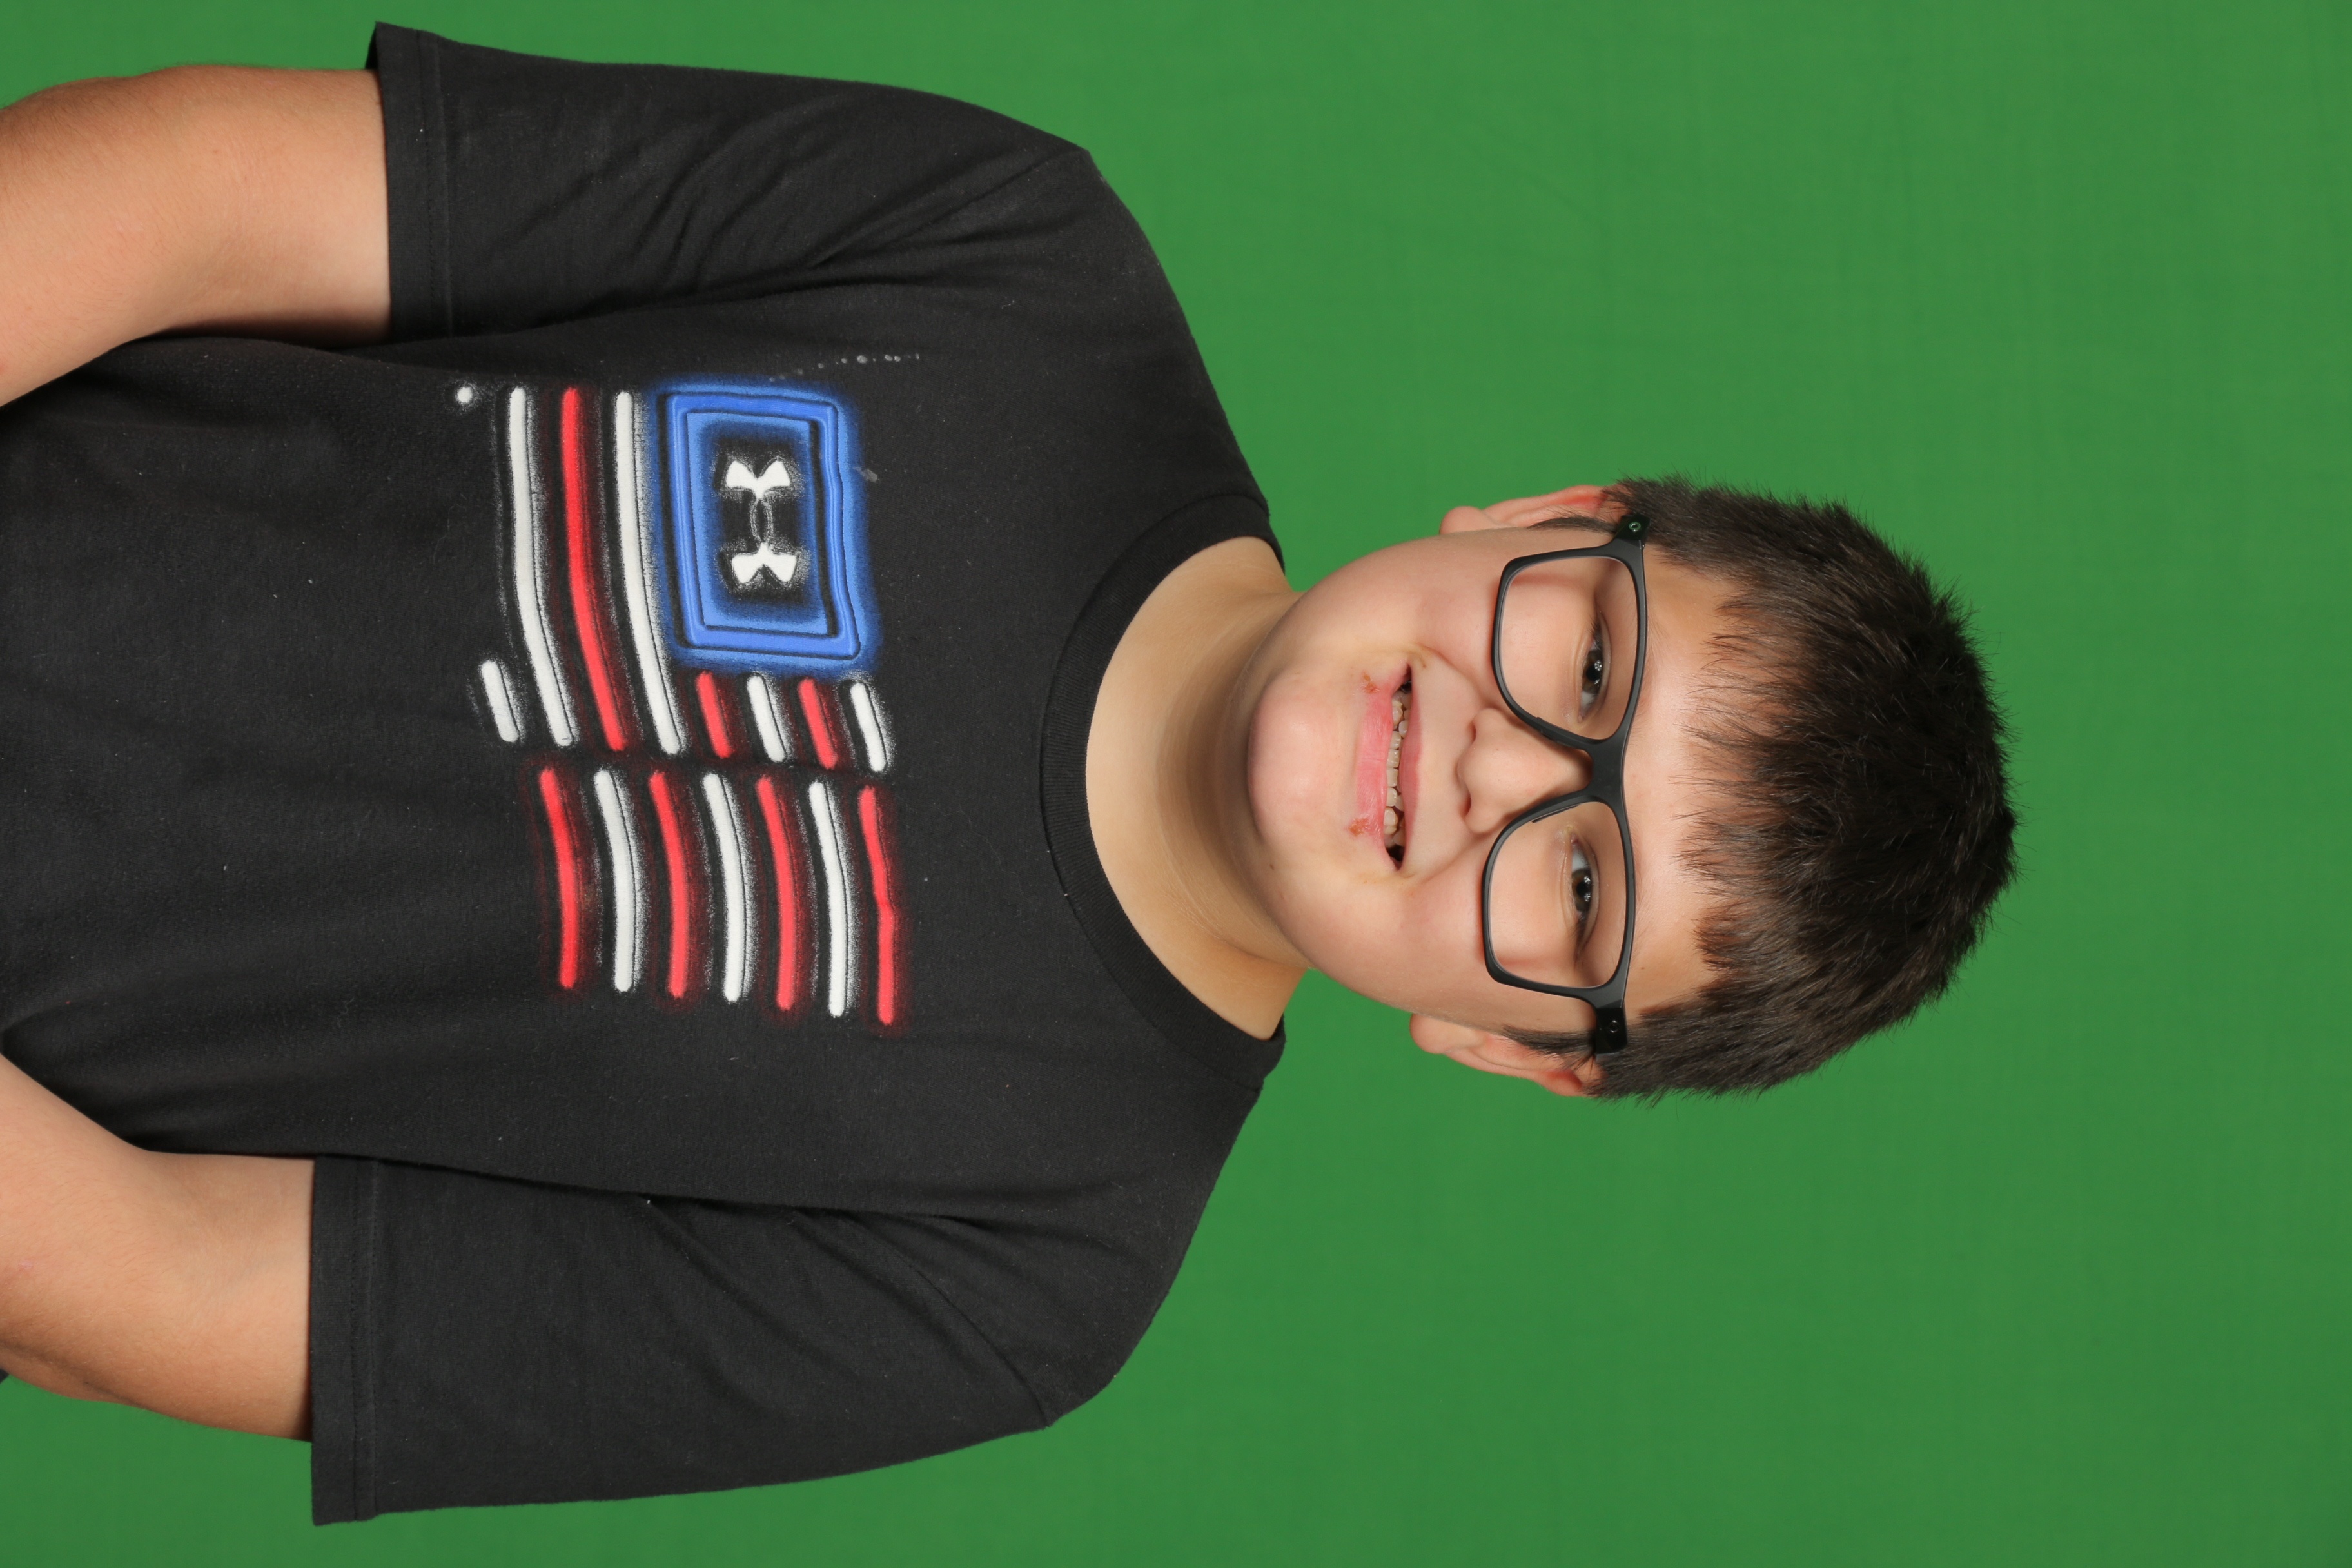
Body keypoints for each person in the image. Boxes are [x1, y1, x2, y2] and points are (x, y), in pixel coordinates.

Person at [0, 26, 2016, 1522]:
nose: (1506, 765)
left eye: (1580, 889)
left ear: (1516, 1047)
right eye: (1588, 662)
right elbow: (210, 187)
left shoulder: (1024, 1280)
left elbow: (165, 1290)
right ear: (1552, 516)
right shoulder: (1016, 258)